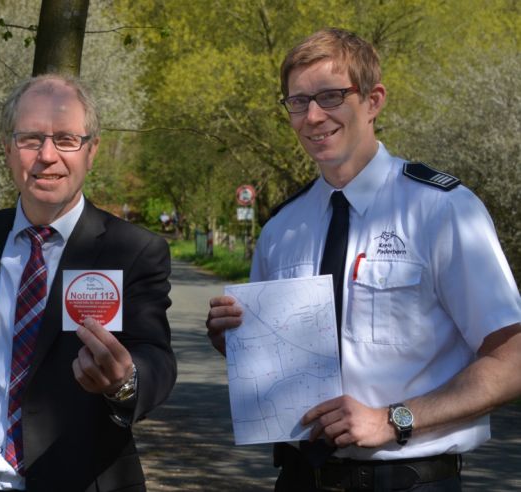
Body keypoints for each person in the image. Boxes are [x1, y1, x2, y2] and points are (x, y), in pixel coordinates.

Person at [205, 28, 521, 491]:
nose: (313, 116)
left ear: (373, 101)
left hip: (408, 479)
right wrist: (235, 340)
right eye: (297, 102)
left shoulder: (441, 210)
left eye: (331, 96)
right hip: (298, 478)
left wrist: (394, 420)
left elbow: (512, 358)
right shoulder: (281, 230)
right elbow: (276, 368)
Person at [0, 74, 176, 492]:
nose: (48, 155)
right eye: (31, 139)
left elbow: (156, 356)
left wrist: (125, 381)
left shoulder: (132, 250)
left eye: (66, 139)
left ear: (92, 151)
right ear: (9, 149)